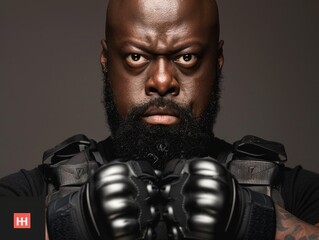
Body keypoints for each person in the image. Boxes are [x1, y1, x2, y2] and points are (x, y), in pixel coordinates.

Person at [1, 0, 319, 239]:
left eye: (187, 57)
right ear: (106, 59)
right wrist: (67, 222)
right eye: (137, 57)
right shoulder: (37, 190)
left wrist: (252, 218)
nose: (163, 81)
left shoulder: (294, 192)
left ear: (217, 60)